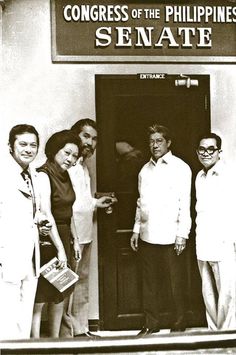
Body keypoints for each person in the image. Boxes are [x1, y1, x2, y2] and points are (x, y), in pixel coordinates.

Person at [130, 124, 192, 336]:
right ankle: (151, 323)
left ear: (168, 143)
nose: (154, 145)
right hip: (148, 235)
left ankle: (179, 320)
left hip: (171, 235)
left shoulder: (181, 168)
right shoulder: (144, 170)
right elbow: (141, 202)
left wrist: (182, 234)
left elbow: (185, 203)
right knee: (149, 283)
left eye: (159, 141)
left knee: (176, 281)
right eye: (151, 141)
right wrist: (136, 229)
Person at [60, 118, 116, 338]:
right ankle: (66, 334)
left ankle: (81, 331)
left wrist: (96, 203)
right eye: (86, 136)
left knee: (81, 283)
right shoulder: (66, 164)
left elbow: (80, 200)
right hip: (70, 236)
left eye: (94, 139)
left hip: (85, 234)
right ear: (75, 135)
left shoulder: (83, 167)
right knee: (65, 285)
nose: (90, 142)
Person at [0, 124, 50, 340]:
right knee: (6, 318)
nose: (28, 149)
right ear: (10, 146)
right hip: (7, 256)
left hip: (30, 256)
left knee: (24, 318)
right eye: (23, 144)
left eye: (33, 145)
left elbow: (29, 212)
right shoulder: (3, 175)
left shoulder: (32, 175)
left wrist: (40, 222)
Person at [31, 130, 80, 338]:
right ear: (54, 150)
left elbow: (68, 213)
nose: (70, 159)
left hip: (64, 235)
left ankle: (55, 342)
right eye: (67, 153)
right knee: (41, 298)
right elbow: (47, 213)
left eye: (75, 156)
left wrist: (75, 241)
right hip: (48, 239)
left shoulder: (65, 174)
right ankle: (34, 347)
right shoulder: (43, 174)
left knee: (60, 293)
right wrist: (60, 249)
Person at [195, 133, 236, 330]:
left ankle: (228, 337)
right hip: (203, 242)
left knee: (227, 295)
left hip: (224, 243)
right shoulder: (199, 177)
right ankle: (213, 336)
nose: (206, 153)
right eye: (202, 149)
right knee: (208, 294)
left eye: (211, 149)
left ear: (219, 152)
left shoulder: (229, 175)